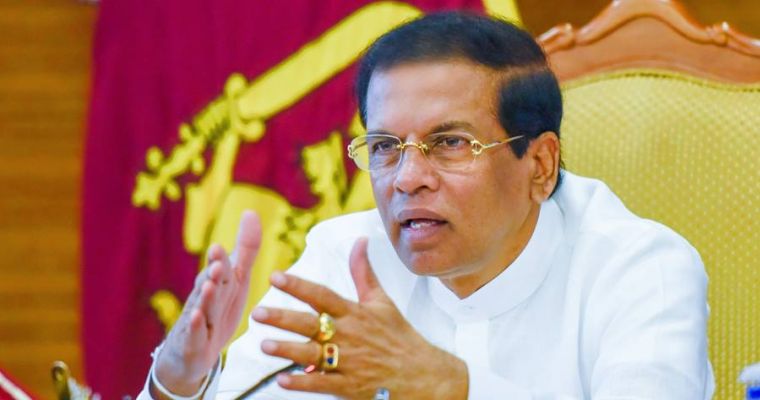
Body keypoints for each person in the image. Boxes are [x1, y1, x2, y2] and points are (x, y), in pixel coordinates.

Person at [138, 11, 714, 399]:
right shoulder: (344, 256)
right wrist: (179, 382)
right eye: (385, 147)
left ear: (540, 165)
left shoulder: (641, 268)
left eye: (451, 143)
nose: (407, 179)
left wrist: (451, 386)